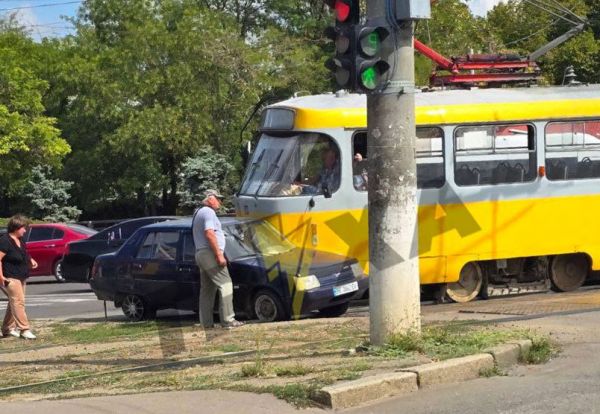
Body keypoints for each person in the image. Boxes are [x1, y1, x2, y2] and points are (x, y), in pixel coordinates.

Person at [192, 189, 243, 329]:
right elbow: (209, 233)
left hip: (201, 253)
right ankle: (228, 320)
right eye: (218, 198)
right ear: (209, 198)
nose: (220, 201)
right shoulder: (208, 212)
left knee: (207, 289)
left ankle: (206, 323)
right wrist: (219, 255)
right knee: (226, 284)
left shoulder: (198, 212)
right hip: (209, 254)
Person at [0, 215, 38, 340]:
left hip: (21, 275)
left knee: (14, 302)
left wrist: (31, 260)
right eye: (23, 228)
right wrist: (1, 276)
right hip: (9, 276)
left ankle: (7, 328)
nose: (25, 230)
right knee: (18, 302)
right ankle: (24, 329)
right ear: (16, 228)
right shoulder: (5, 241)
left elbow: (23, 253)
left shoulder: (20, 240)